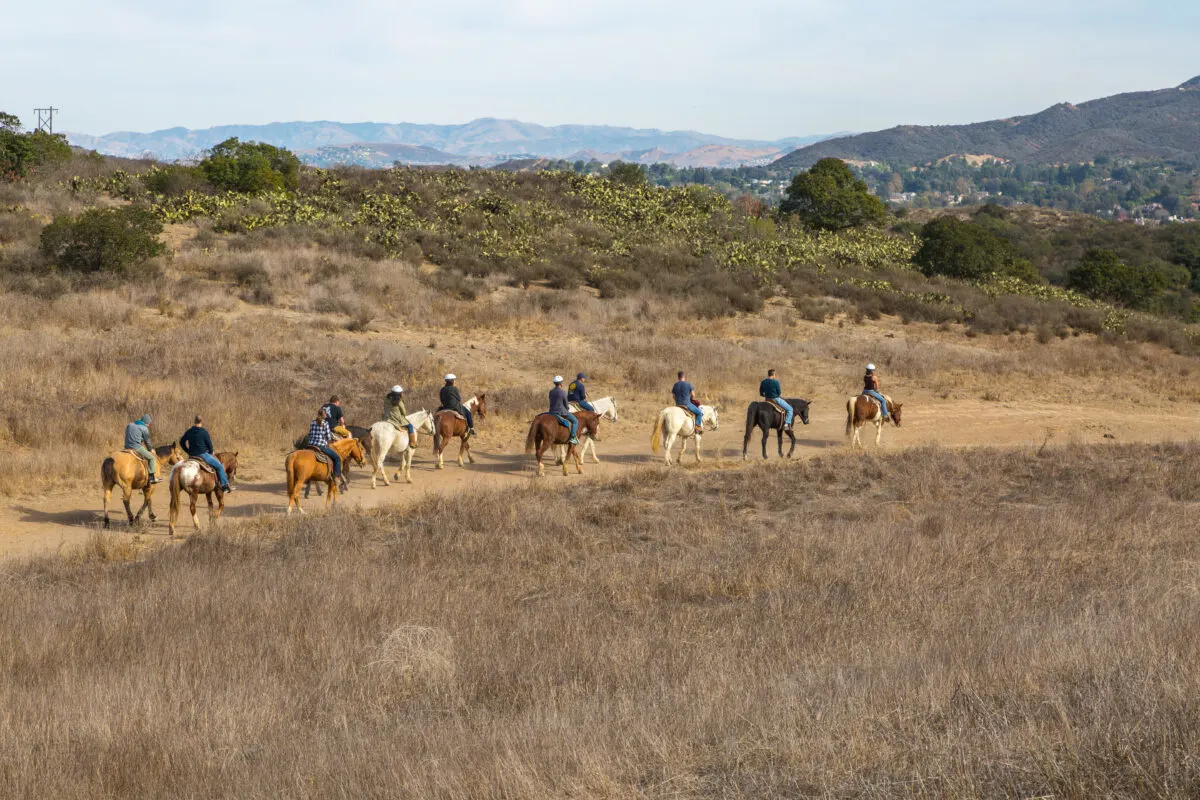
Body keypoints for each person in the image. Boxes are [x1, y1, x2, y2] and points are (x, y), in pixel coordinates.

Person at [179, 416, 233, 493]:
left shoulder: (189, 431)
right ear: (201, 422)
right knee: (219, 466)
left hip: (191, 456)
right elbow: (210, 445)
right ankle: (225, 486)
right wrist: (211, 452)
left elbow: (181, 442)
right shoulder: (204, 432)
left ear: (194, 421)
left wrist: (187, 451)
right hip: (203, 455)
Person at [307, 408, 346, 491]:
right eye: (325, 415)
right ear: (324, 415)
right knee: (337, 458)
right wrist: (331, 440)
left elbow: (310, 434)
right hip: (321, 446)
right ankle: (336, 477)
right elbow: (328, 437)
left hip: (310, 445)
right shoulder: (325, 423)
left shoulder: (313, 422)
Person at [124, 413, 159, 483]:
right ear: (146, 422)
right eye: (148, 424)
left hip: (126, 446)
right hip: (136, 447)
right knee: (152, 458)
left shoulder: (130, 425)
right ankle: (151, 477)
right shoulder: (144, 428)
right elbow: (147, 442)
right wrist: (150, 449)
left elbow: (130, 435)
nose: (149, 425)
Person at [549, 376, 579, 445]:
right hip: (561, 412)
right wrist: (567, 408)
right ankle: (573, 438)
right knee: (575, 421)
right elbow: (565, 403)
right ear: (561, 383)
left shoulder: (551, 392)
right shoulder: (562, 392)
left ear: (554, 383)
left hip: (551, 412)